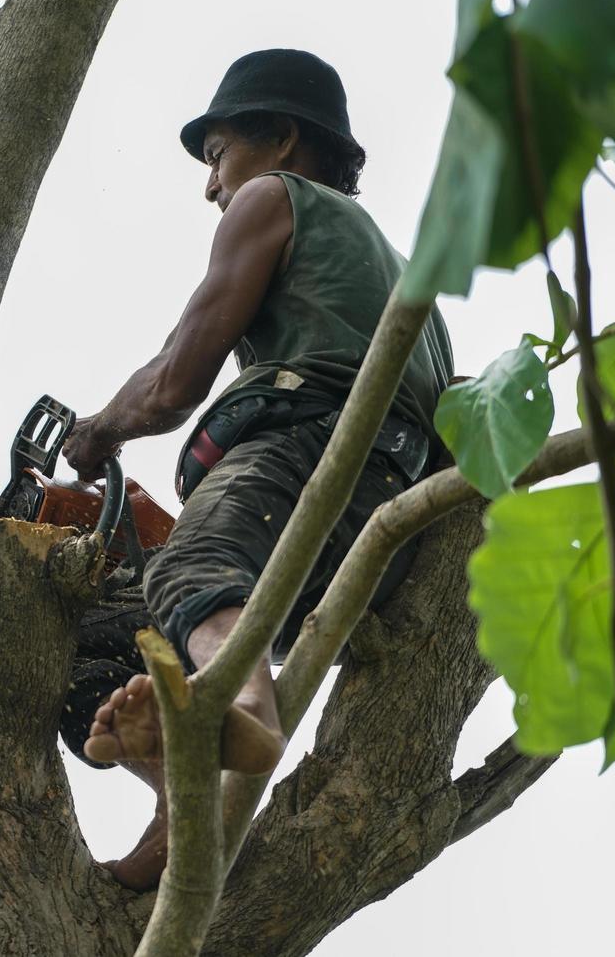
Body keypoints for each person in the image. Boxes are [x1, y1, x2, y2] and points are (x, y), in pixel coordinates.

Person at [58, 48, 454, 890]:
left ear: (277, 139)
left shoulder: (276, 199)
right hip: (383, 514)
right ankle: (181, 811)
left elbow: (175, 380)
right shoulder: (390, 266)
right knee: (119, 629)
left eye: (217, 155)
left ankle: (238, 708)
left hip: (312, 450)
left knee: (193, 569)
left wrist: (97, 434)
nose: (211, 185)